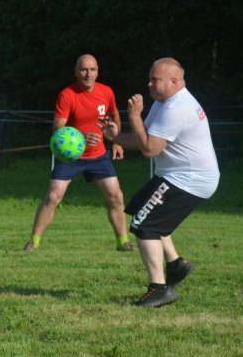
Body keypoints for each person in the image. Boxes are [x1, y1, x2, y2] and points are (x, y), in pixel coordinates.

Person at [100, 57, 219, 307]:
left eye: (156, 80)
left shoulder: (177, 108)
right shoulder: (164, 102)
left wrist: (133, 115)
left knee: (145, 224)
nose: (150, 84)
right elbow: (144, 138)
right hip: (176, 175)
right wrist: (117, 137)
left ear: (175, 81)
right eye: (150, 78)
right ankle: (176, 265)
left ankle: (159, 289)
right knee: (142, 208)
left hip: (189, 179)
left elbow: (150, 150)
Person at [23, 54, 133, 253]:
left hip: (98, 155)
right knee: (53, 196)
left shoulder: (106, 92)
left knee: (116, 196)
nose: (88, 74)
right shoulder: (67, 95)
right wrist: (81, 140)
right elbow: (58, 129)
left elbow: (114, 114)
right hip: (71, 157)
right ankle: (33, 242)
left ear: (98, 71)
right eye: (83, 69)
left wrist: (117, 141)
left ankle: (123, 242)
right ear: (76, 72)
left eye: (92, 69)